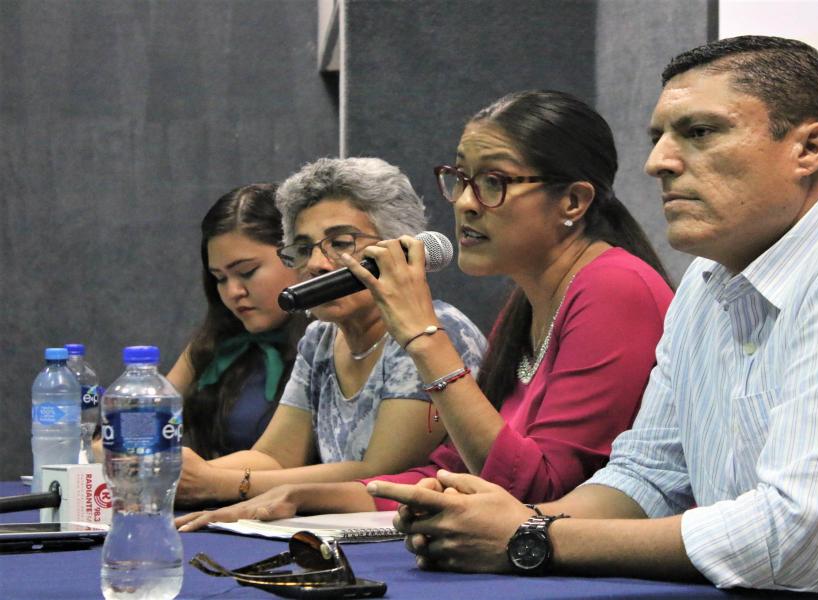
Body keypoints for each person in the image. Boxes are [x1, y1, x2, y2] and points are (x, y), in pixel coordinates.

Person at [367, 36, 818, 599]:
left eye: (699, 132)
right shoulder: (708, 276)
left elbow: (797, 542)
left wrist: (531, 536)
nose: (658, 162)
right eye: (659, 137)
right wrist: (513, 524)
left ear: (809, 148)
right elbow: (649, 472)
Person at [175, 90, 674, 530]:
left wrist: (421, 335)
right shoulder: (527, 301)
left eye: (493, 182)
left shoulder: (614, 288)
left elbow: (539, 490)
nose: (465, 203)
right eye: (460, 178)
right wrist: (302, 496)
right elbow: (448, 472)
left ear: (573, 201)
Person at [174, 157, 487, 506]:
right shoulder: (320, 338)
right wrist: (176, 475)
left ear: (400, 248)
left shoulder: (432, 332)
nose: (316, 264)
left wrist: (219, 484)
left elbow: (380, 471)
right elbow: (275, 457)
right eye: (304, 249)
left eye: (340, 243)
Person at [167, 183, 307, 458]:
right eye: (220, 278)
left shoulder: (327, 343)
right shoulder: (216, 341)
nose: (233, 292)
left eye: (247, 271)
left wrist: (202, 478)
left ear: (296, 255)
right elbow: (144, 420)